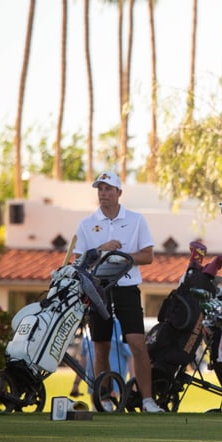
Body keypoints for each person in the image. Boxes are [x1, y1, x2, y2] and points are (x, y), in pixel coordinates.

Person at [73, 171, 164, 413]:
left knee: (137, 343)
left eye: (108, 189)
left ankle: (147, 401)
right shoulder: (86, 224)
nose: (103, 194)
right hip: (98, 290)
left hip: (126, 288)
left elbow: (148, 255)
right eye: (100, 189)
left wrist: (121, 257)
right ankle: (103, 399)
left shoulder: (136, 220)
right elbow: (78, 261)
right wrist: (102, 248)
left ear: (119, 192)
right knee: (101, 345)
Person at [71, 319, 133, 398]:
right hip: (93, 382)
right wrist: (76, 384)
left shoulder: (118, 325)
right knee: (95, 406)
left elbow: (130, 357)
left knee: (109, 406)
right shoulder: (90, 327)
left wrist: (132, 384)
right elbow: (83, 359)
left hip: (115, 383)